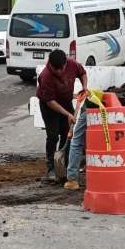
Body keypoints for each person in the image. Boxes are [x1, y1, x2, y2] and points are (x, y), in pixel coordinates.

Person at [64, 94, 125, 190]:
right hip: (92, 108)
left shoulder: (88, 98)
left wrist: (71, 131)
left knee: (76, 143)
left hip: (90, 109)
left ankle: (72, 180)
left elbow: (77, 113)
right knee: (99, 141)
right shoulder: (119, 107)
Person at [36, 49, 87, 184]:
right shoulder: (45, 76)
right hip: (49, 106)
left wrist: (85, 88)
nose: (59, 72)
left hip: (65, 101)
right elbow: (50, 102)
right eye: (55, 69)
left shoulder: (72, 64)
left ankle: (64, 164)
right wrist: (68, 114)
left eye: (61, 68)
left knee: (68, 133)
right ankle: (51, 168)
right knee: (53, 135)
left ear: (65, 63)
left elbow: (82, 73)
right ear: (50, 65)